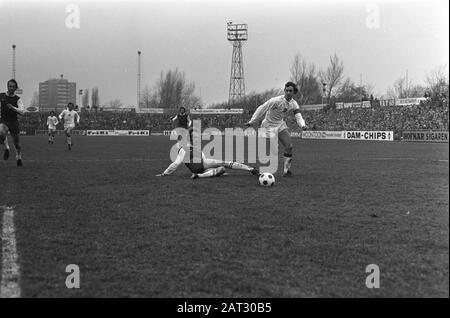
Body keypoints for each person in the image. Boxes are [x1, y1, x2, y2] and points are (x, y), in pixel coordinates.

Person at [245, 82, 307, 177]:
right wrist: (252, 121)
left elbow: (298, 116)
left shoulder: (294, 104)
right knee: (272, 150)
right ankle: (261, 169)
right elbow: (262, 108)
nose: (288, 92)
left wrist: (302, 125)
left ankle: (287, 171)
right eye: (286, 90)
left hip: (280, 124)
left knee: (289, 146)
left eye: (290, 91)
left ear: (294, 92)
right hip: (268, 125)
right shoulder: (276, 101)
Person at [156, 134, 259, 179]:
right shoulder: (188, 148)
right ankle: (250, 169)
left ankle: (199, 176)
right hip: (201, 165)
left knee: (222, 169)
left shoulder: (187, 148)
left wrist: (165, 173)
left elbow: (176, 163)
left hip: (199, 168)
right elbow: (177, 163)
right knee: (224, 164)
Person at [0, 79, 25, 167]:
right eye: (10, 86)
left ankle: (18, 156)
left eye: (13, 87)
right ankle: (7, 147)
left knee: (17, 144)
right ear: (7, 86)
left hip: (14, 122)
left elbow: (22, 112)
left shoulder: (17, 99)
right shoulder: (1, 96)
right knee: (1, 132)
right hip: (4, 121)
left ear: (15, 88)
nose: (11, 88)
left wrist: (13, 108)